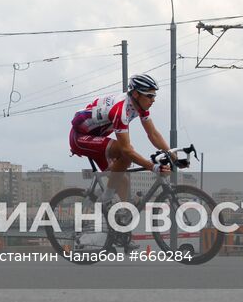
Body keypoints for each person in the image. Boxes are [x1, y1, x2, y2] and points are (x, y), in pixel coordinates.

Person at [68, 74, 173, 206]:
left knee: (122, 181)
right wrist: (153, 167)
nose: (153, 100)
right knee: (125, 153)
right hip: (79, 137)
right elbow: (126, 150)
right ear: (136, 94)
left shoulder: (140, 106)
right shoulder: (120, 111)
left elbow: (152, 134)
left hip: (96, 137)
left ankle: (121, 216)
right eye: (150, 96)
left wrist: (172, 154)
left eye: (154, 96)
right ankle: (106, 197)